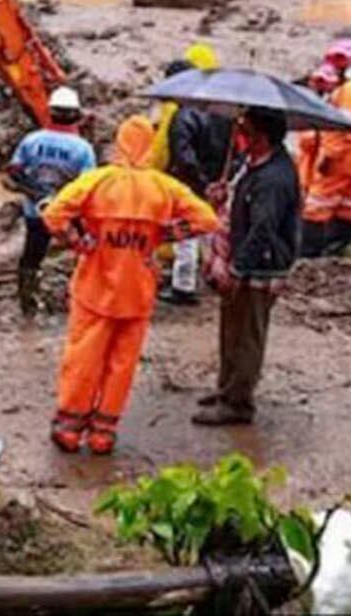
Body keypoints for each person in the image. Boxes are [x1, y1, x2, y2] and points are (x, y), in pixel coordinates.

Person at [43, 116, 219, 454]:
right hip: (138, 289)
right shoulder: (164, 187)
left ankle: (69, 425)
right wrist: (164, 235)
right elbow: (207, 219)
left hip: (95, 285)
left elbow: (53, 215)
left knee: (84, 356)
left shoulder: (98, 181)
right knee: (122, 364)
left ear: (119, 143)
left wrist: (78, 241)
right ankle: (103, 432)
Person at [195, 108, 301, 427]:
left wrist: (239, 269)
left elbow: (263, 228)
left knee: (247, 334)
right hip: (245, 259)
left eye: (246, 128)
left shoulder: (274, 178)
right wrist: (221, 196)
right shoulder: (256, 166)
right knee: (232, 327)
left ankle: (238, 403)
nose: (239, 133)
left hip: (259, 266)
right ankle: (227, 388)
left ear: (261, 136)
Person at [8, 87, 98, 317]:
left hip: (35, 211)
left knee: (31, 256)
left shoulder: (32, 140)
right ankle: (81, 297)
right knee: (83, 253)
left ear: (50, 112)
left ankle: (27, 303)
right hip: (70, 214)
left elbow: (14, 171)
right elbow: (88, 186)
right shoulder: (83, 149)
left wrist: (36, 192)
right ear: (76, 114)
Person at [162, 45, 230, 304]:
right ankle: (215, 275)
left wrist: (197, 182)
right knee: (214, 231)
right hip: (218, 180)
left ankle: (183, 287)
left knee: (186, 237)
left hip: (191, 184)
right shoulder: (220, 111)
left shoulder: (183, 116)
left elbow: (183, 156)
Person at [301, 41, 351, 256]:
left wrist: (328, 157)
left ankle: (309, 251)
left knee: (316, 205)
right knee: (348, 205)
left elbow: (343, 129)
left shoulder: (350, 91)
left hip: (342, 161)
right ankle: (336, 249)